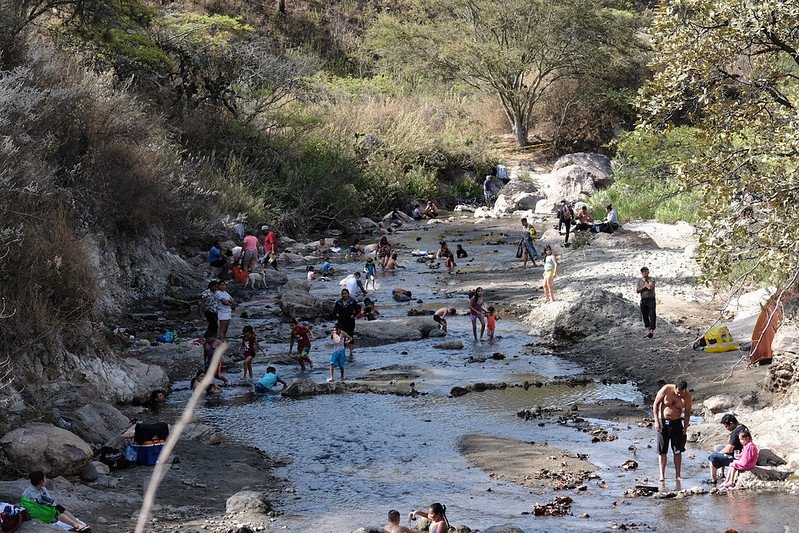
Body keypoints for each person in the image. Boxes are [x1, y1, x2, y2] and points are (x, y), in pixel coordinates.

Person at [21, 471, 91, 531]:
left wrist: (54, 506)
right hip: (35, 510)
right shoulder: (31, 492)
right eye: (44, 478)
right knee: (55, 511)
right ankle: (76, 525)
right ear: (41, 481)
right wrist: (52, 507)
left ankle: (79, 523)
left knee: (59, 508)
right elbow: (37, 504)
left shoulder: (42, 489)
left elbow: (50, 500)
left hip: (41, 507)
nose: (46, 480)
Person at [653, 379, 693, 481]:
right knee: (662, 450)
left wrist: (685, 428)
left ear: (685, 390)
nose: (679, 395)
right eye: (678, 392)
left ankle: (678, 475)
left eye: (682, 393)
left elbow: (687, 414)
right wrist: (656, 421)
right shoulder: (666, 389)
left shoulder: (687, 397)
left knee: (677, 450)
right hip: (663, 422)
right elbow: (656, 404)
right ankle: (662, 475)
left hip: (676, 423)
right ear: (675, 387)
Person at [707, 414, 749, 484]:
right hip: (742, 452)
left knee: (712, 456)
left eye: (726, 426)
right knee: (719, 448)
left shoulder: (735, 432)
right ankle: (721, 474)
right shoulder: (743, 427)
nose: (726, 428)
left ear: (731, 424)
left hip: (737, 457)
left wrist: (718, 453)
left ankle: (713, 480)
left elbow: (729, 450)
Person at [333, 289, 359, 358]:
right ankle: (342, 351)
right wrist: (337, 315)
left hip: (350, 321)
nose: (344, 295)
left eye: (345, 293)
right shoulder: (339, 302)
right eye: (343, 294)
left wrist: (353, 315)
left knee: (350, 335)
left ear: (348, 294)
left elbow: (357, 310)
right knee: (342, 336)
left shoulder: (352, 302)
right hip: (341, 322)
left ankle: (351, 352)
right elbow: (334, 311)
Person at [637, 266, 656, 338]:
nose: (644, 273)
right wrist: (645, 286)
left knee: (652, 315)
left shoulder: (652, 279)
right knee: (645, 315)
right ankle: (648, 331)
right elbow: (637, 290)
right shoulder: (639, 281)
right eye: (643, 271)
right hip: (643, 299)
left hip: (651, 299)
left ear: (648, 272)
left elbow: (650, 287)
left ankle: (652, 331)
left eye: (645, 271)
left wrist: (645, 282)